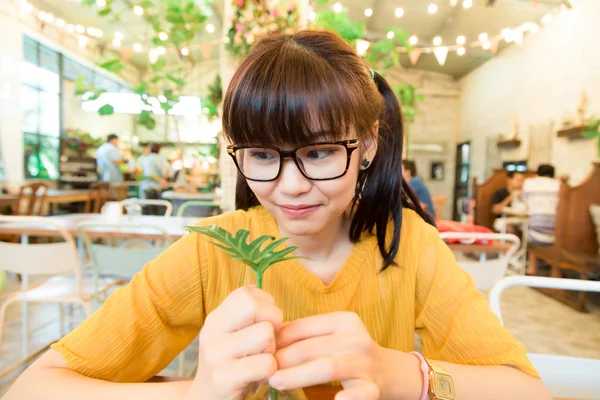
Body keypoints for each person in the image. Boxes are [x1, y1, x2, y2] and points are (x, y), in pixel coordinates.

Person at [6, 31, 550, 400]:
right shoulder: (210, 250)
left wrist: (398, 371)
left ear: (366, 145)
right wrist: (195, 391)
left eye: (318, 153)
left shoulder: (410, 247)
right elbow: (34, 388)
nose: (290, 186)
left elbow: (528, 391)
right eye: (262, 155)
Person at [523, 164, 560, 250]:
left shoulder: (528, 183)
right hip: (556, 233)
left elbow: (526, 205)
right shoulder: (559, 184)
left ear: (537, 174)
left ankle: (529, 260)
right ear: (554, 175)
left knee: (523, 225)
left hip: (535, 232)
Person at [492, 170, 526, 234]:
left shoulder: (526, 194)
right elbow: (495, 210)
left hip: (522, 220)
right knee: (509, 227)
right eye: (519, 180)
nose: (521, 183)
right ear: (509, 180)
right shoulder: (500, 193)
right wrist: (511, 196)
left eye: (523, 180)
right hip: (505, 220)